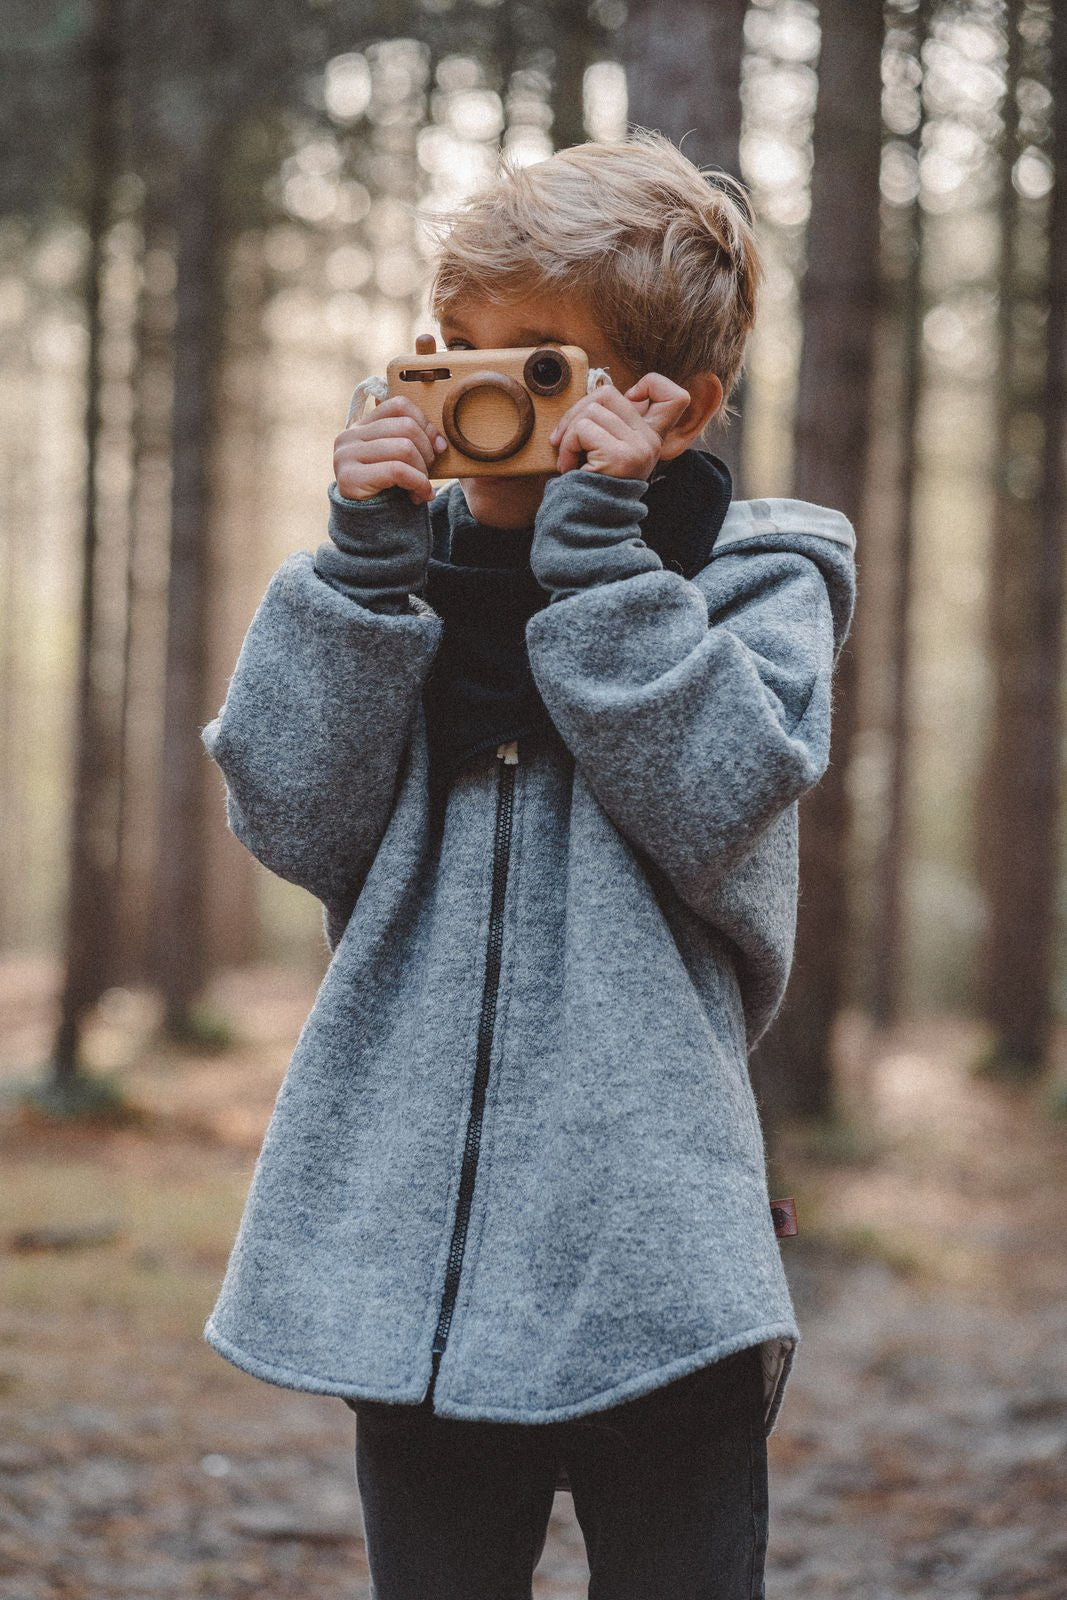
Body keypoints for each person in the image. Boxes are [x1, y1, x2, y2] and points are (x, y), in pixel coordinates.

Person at [200, 129, 856, 1599]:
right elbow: (294, 823)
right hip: (414, 1241)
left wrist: (606, 567)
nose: (476, 395)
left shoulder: (755, 579)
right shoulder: (393, 573)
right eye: (454, 351)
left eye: (538, 364)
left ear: (670, 411)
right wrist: (360, 579)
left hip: (658, 1251)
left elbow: (719, 802)